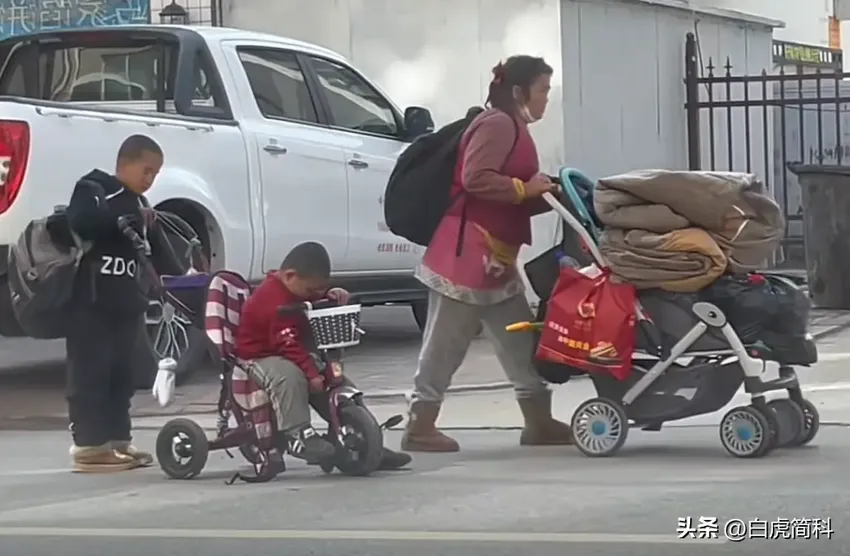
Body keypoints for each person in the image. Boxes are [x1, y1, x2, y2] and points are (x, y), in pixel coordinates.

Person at [402, 55, 575, 452]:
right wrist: (525, 190)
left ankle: (538, 420)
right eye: (543, 90)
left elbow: (511, 191)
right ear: (518, 92)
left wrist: (545, 194)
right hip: (466, 256)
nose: (547, 99)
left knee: (519, 341)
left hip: (494, 258)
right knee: (445, 345)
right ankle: (419, 424)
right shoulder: (498, 124)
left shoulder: (513, 126)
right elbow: (476, 179)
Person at [65, 134, 185, 472]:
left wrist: (183, 278)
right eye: (146, 170)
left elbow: (156, 254)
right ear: (125, 163)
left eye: (155, 174)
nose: (150, 179)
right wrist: (119, 223)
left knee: (122, 374)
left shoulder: (140, 205)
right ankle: (89, 446)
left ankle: (118, 440)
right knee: (91, 373)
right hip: (91, 301)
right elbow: (82, 222)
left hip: (126, 303)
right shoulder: (95, 188)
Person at [235, 241, 412, 469]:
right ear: (290, 275)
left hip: (290, 349)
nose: (313, 295)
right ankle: (298, 434)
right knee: (290, 377)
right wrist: (310, 373)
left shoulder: (293, 288)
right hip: (260, 355)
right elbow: (285, 343)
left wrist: (328, 295)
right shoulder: (272, 300)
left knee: (335, 379)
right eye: (312, 290)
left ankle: (365, 437)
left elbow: (305, 304)